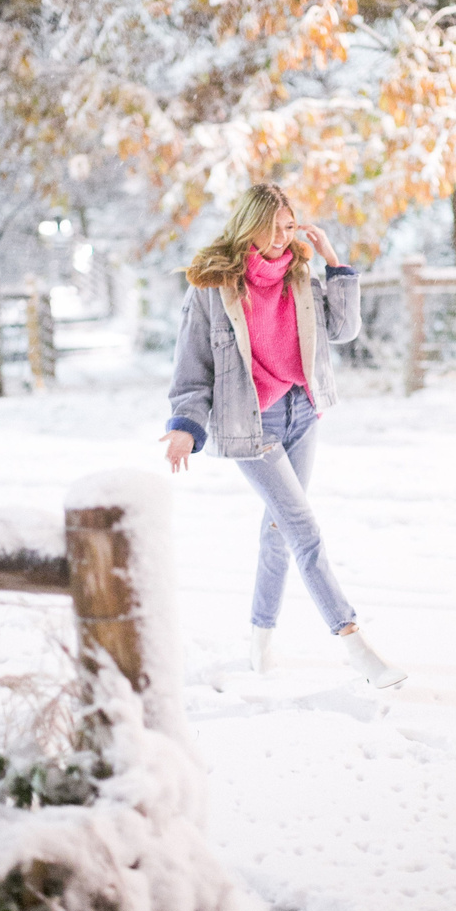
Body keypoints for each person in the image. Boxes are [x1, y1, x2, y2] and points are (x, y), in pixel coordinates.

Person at [160, 183, 406, 688]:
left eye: (289, 226)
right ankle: (356, 645)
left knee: (278, 533)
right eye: (272, 226)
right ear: (248, 226)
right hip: (253, 424)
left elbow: (343, 329)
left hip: (303, 413)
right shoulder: (211, 286)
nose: (281, 236)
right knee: (304, 531)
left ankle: (259, 641)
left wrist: (334, 262)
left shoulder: (300, 275)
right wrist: (185, 426)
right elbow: (192, 367)